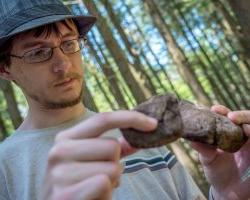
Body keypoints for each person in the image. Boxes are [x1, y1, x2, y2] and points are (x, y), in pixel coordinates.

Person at [0, 0, 249, 200]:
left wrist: (227, 193)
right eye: (38, 52)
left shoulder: (142, 132)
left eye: (69, 43)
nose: (63, 63)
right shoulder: (4, 168)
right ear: (4, 68)